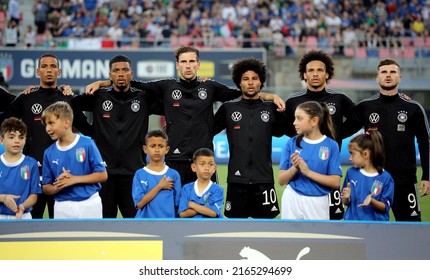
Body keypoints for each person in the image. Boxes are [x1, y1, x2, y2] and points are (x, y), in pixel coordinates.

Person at [86, 45, 285, 186]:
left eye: (191, 61)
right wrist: (104, 83)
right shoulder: (166, 86)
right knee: (174, 208)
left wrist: (270, 96)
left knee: (206, 209)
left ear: (198, 64)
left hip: (204, 158)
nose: (188, 65)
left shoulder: (210, 87)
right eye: (183, 62)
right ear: (177, 65)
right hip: (175, 159)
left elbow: (241, 95)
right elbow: (133, 83)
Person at [342, 58, 430, 222]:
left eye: (392, 72)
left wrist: (427, 175)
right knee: (370, 231)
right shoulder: (365, 107)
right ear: (377, 78)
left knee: (410, 229)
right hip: (372, 179)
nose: (388, 75)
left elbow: (425, 143)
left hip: (404, 180)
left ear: (399, 78)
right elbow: (341, 131)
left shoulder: (413, 108)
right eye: (384, 72)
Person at [72, 54, 158, 218]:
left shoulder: (143, 98)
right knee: (104, 227)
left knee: (135, 226)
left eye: (125, 70)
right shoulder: (99, 97)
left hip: (133, 173)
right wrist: (89, 130)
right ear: (110, 75)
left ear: (131, 75)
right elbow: (72, 105)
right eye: (116, 70)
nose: (120, 74)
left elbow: (168, 101)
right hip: (103, 174)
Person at [9, 53, 89, 219]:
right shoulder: (27, 98)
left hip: (62, 173)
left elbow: (87, 129)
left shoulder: (67, 99)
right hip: (32, 172)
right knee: (32, 223)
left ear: (59, 72)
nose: (49, 70)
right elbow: (5, 120)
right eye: (44, 67)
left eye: (53, 66)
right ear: (38, 72)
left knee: (60, 225)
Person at [283, 50, 355, 220]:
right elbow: (283, 127)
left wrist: (336, 135)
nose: (315, 74)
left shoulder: (339, 99)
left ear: (327, 74)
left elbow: (358, 118)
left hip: (329, 173)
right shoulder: (293, 101)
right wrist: (299, 137)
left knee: (333, 224)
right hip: (300, 179)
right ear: (304, 75)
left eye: (320, 70)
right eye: (311, 70)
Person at [213, 57, 288, 218]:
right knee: (235, 231)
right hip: (236, 181)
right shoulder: (228, 108)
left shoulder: (271, 108)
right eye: (246, 79)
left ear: (261, 82)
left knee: (266, 231)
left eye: (255, 79)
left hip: (265, 180)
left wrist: (277, 104)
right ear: (239, 83)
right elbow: (207, 130)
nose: (251, 83)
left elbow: (283, 131)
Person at [41, 101, 107, 219]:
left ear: (67, 122)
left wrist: (74, 179)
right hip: (62, 206)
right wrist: (59, 185)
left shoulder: (87, 144)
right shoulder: (48, 152)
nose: (47, 128)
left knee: (92, 238)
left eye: (51, 123)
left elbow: (102, 175)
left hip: (90, 203)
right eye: (46, 124)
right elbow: (46, 187)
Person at [278, 101, 342, 220]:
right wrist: (294, 168)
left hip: (318, 202)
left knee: (317, 238)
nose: (294, 123)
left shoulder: (331, 145)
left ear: (314, 121)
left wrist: (307, 172)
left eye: (299, 119)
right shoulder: (291, 143)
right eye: (294, 118)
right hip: (292, 199)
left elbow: (335, 182)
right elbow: (281, 180)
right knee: (290, 238)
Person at [341, 129, 394, 221]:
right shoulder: (351, 172)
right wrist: (346, 198)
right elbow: (346, 202)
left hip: (375, 228)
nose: (350, 158)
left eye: (352, 154)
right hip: (352, 225)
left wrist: (372, 201)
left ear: (365, 154)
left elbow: (385, 206)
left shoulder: (386, 178)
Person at [132, 130, 181, 218]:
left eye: (161, 146)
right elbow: (139, 203)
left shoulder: (174, 174)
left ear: (167, 149)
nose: (157, 150)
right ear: (145, 149)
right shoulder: (140, 174)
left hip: (168, 225)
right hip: (145, 225)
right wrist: (159, 186)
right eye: (153, 146)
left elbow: (177, 204)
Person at [0, 117, 41, 219]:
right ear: (2, 140)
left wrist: (23, 206)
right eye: (11, 137)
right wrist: (3, 198)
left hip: (23, 215)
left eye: (21, 137)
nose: (17, 141)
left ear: (25, 140)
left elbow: (34, 195)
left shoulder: (31, 163)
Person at [178, 148, 224, 218]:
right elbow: (183, 214)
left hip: (210, 228)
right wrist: (205, 207)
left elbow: (213, 213)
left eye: (210, 164)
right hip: (191, 228)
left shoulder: (218, 190)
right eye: (202, 164)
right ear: (194, 167)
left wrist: (193, 205)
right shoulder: (186, 188)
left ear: (215, 168)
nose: (206, 168)